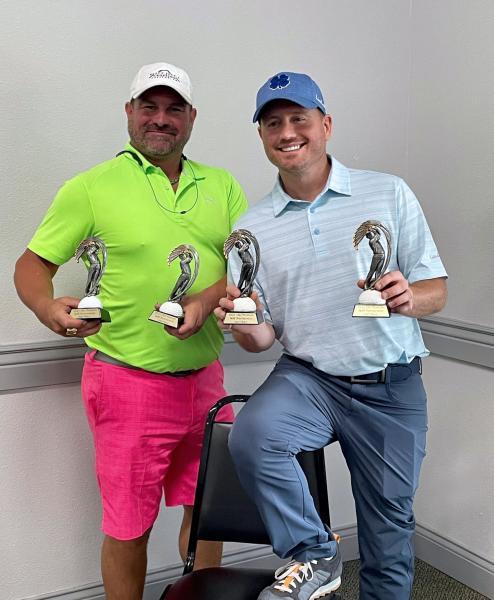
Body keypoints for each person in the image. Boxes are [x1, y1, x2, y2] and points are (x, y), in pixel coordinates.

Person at [14, 62, 247, 600]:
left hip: (207, 380)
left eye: (173, 109)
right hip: (127, 383)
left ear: (191, 117)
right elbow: (31, 265)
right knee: (129, 527)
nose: (160, 119)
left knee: (208, 513)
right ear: (129, 112)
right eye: (149, 106)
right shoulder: (91, 187)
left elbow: (245, 265)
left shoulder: (223, 184)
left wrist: (204, 300)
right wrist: (47, 308)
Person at [215, 71, 447, 600]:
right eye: (273, 123)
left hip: (390, 386)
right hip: (309, 378)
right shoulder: (252, 228)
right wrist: (244, 323)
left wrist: (410, 297)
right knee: (253, 436)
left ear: (326, 125)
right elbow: (262, 339)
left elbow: (437, 290)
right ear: (262, 136)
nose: (287, 132)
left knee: (388, 536)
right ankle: (313, 551)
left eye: (299, 118)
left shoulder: (388, 192)